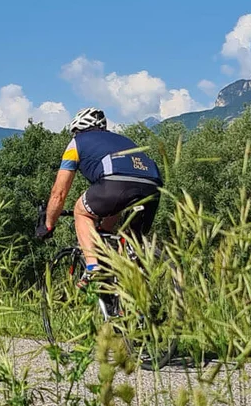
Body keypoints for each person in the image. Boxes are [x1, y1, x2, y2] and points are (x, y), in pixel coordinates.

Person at [35, 107, 163, 284]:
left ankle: (92, 266)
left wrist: (48, 225)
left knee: (81, 212)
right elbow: (119, 200)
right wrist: (104, 229)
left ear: (77, 130)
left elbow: (59, 193)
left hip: (116, 182)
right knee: (128, 244)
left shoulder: (76, 143)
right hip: (153, 185)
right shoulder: (124, 140)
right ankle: (127, 299)